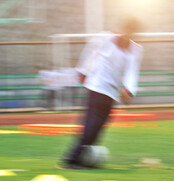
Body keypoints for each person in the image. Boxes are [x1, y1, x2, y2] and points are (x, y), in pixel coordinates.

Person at [59, 17, 143, 169]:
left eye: (133, 33)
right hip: (97, 88)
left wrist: (129, 90)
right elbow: (90, 53)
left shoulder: (136, 49)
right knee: (90, 126)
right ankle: (71, 159)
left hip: (111, 94)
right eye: (128, 31)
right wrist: (83, 71)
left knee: (98, 128)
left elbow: (132, 71)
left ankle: (84, 158)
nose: (129, 35)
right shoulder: (105, 38)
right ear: (124, 29)